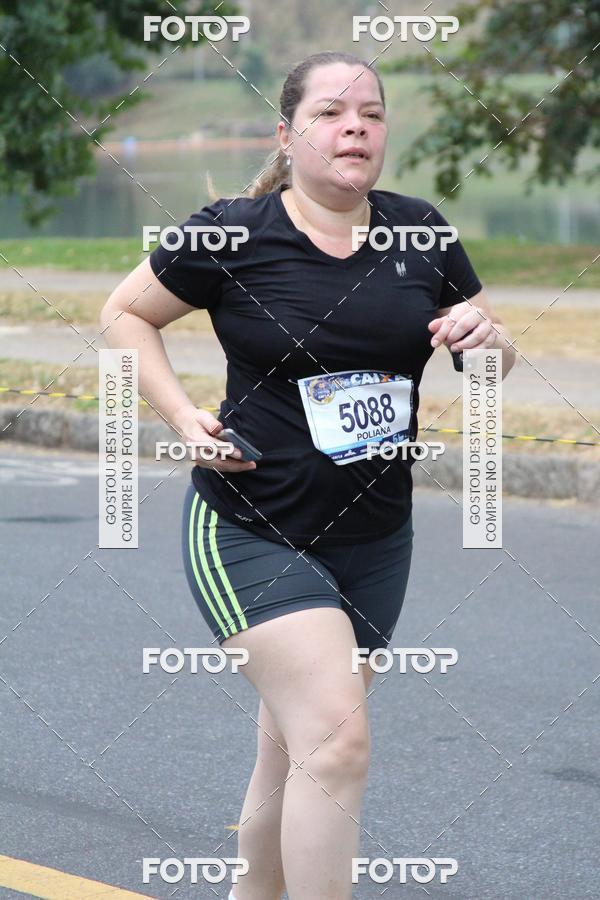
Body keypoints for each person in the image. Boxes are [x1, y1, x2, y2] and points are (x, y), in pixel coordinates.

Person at [101, 50, 515, 900]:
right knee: (338, 743)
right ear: (288, 136)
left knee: (296, 754)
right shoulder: (235, 232)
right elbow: (125, 315)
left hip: (373, 541)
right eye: (330, 112)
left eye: (370, 111)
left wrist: (492, 341)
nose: (355, 125)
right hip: (251, 526)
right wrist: (182, 419)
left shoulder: (421, 231)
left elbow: (486, 364)